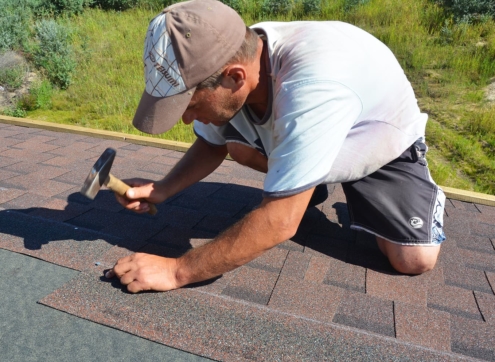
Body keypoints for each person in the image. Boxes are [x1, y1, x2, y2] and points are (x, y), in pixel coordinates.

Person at [105, 0, 446, 293]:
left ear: (235, 78)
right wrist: (162, 188)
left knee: (412, 259)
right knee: (236, 144)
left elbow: (281, 221)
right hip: (310, 127)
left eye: (190, 105)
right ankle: (306, 181)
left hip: (378, 141)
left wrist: (176, 270)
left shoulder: (312, 85)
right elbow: (211, 145)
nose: (185, 119)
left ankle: (311, 181)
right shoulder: (233, 52)